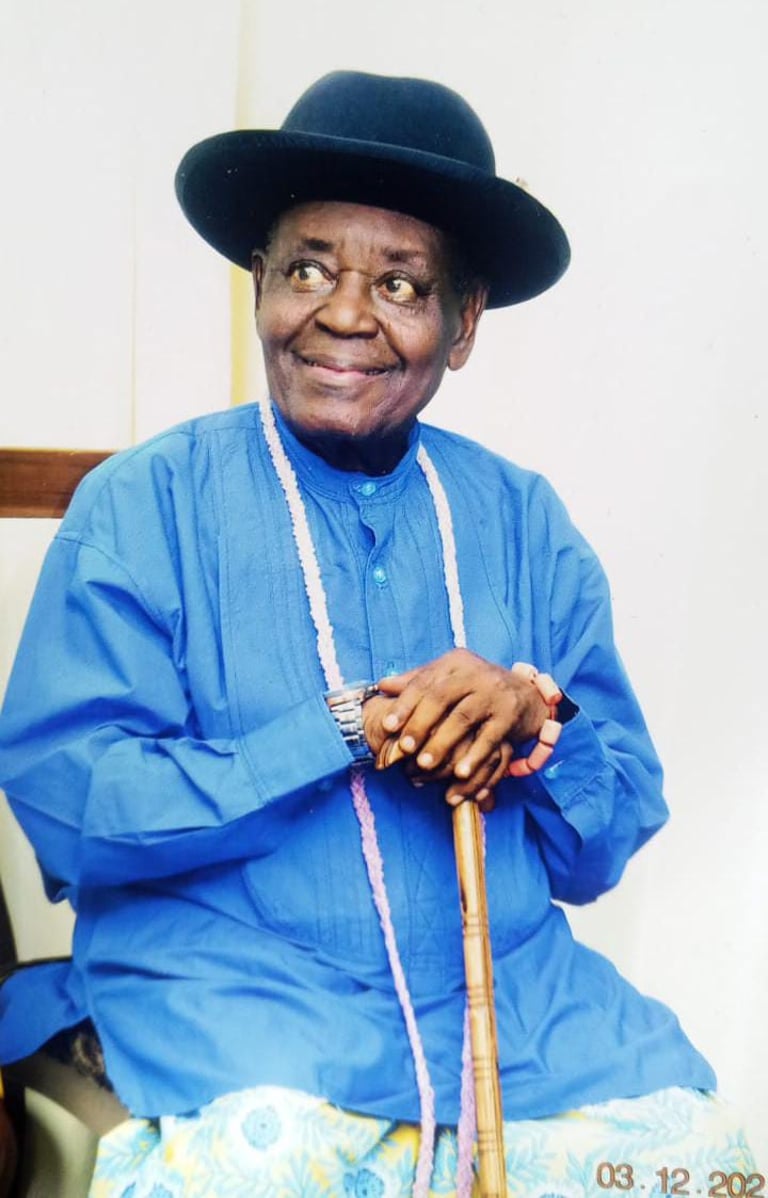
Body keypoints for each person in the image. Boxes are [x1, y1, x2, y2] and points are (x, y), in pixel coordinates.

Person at [0, 71, 757, 1197]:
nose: (345, 315)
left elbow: (603, 845)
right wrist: (345, 725)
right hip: (242, 1002)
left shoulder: (524, 520)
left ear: (463, 325)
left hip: (517, 1013)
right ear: (259, 283)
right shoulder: (142, 506)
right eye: (308, 269)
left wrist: (534, 725)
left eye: (401, 284)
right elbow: (73, 813)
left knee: (697, 1157)